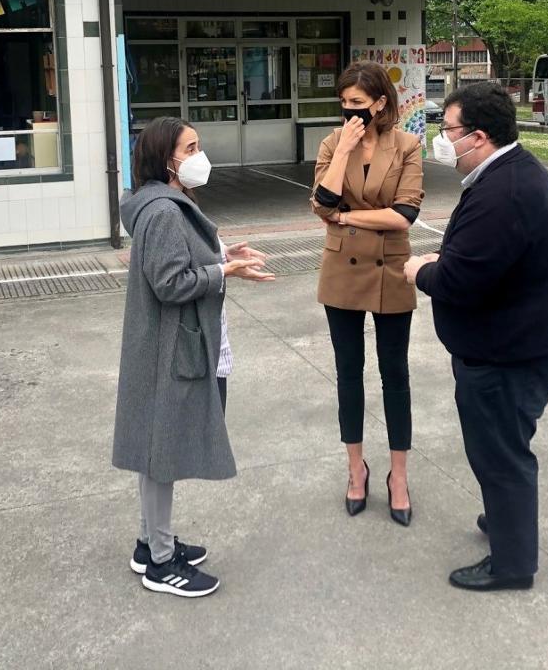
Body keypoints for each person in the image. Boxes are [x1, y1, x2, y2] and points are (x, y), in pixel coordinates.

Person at [404, 83, 548, 591]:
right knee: (501, 447)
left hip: (510, 354)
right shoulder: (508, 172)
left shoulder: (503, 192)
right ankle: (505, 519)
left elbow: (460, 281)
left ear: (478, 136)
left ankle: (513, 563)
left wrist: (421, 269)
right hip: (519, 340)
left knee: (501, 455)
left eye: (448, 130)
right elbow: (487, 262)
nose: (442, 139)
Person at [112, 117, 273, 598]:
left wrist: (222, 252)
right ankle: (160, 563)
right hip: (169, 349)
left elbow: (180, 257)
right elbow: (170, 283)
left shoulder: (163, 205)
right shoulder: (163, 212)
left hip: (168, 345)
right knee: (162, 452)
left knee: (157, 447)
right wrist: (224, 271)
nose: (201, 155)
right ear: (170, 161)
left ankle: (150, 542)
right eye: (192, 147)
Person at [311, 61, 425, 526]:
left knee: (395, 374)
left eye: (358, 105)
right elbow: (321, 201)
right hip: (341, 269)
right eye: (344, 105)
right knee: (348, 373)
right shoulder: (332, 142)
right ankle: (355, 468)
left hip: (391, 268)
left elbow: (402, 215)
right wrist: (343, 153)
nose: (349, 113)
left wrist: (344, 217)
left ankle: (398, 476)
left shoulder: (408, 145)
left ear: (380, 103)